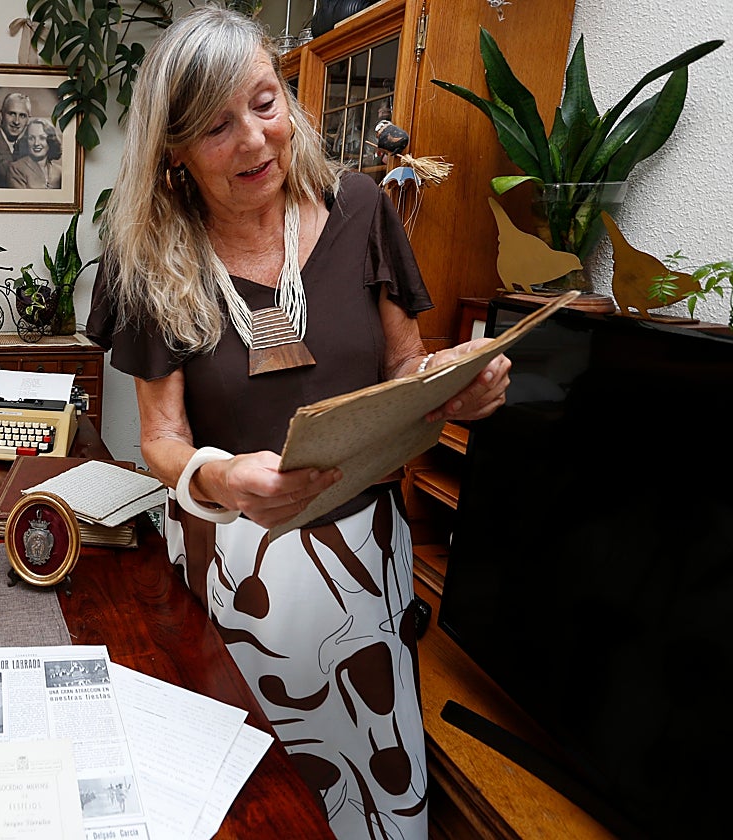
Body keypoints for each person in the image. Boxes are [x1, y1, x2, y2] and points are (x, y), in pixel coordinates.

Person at [85, 7, 510, 839]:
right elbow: (161, 440)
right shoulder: (147, 258)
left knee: (380, 790)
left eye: (265, 103)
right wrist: (222, 478)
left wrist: (454, 386)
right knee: (258, 804)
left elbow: (403, 366)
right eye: (215, 126)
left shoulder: (361, 210)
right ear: (173, 149)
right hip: (234, 569)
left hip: (364, 562)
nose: (254, 140)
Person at [6, 117, 62, 190]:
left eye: (42, 138)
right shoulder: (16, 169)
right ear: (26, 141)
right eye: (31, 138)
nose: (36, 143)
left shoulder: (59, 171)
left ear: (50, 141)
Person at [0, 92, 32, 189]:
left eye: (22, 116)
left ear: (28, 120)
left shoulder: (32, 148)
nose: (16, 122)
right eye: (12, 114)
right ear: (1, 115)